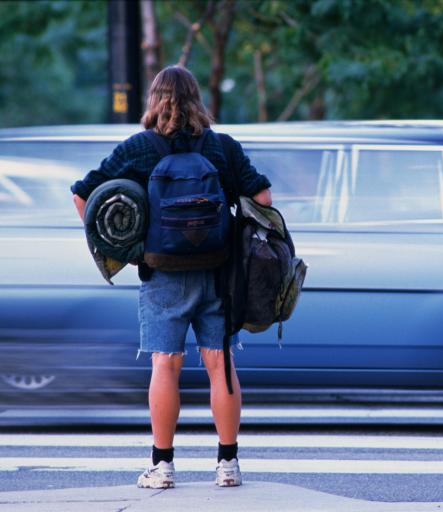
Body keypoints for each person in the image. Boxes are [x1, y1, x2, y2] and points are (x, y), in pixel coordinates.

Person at [71, 65, 272, 489]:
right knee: (221, 363)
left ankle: (162, 466)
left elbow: (84, 192)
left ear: (154, 100)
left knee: (166, 364)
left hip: (162, 273)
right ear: (197, 99)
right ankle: (228, 465)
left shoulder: (139, 149)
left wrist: (121, 247)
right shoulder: (221, 147)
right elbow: (262, 197)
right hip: (218, 271)